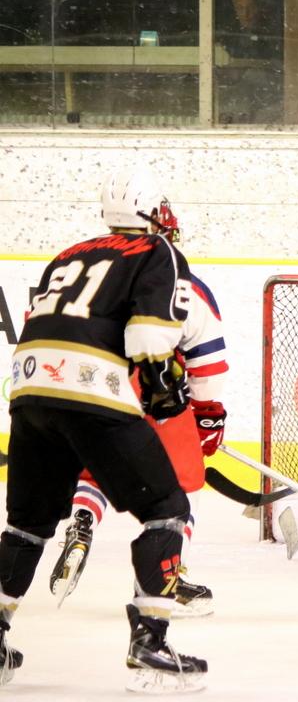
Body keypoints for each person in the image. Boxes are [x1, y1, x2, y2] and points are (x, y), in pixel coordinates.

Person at [1, 167, 207, 692]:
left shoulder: (70, 253)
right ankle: (151, 643)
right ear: (152, 213)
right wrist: (165, 387)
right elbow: (148, 336)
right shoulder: (157, 253)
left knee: (26, 524)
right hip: (91, 392)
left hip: (29, 394)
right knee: (167, 511)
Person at [50, 251, 229, 619]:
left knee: (100, 465)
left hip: (101, 383)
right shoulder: (183, 282)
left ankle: (82, 519)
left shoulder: (94, 273)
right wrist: (208, 414)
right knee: (178, 490)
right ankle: (166, 579)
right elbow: (207, 362)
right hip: (160, 388)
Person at [217, 0, 282, 124]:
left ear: (259, 8)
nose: (246, 14)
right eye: (240, 8)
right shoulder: (228, 36)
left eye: (250, 7)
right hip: (237, 105)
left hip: (269, 105)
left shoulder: (275, 36)